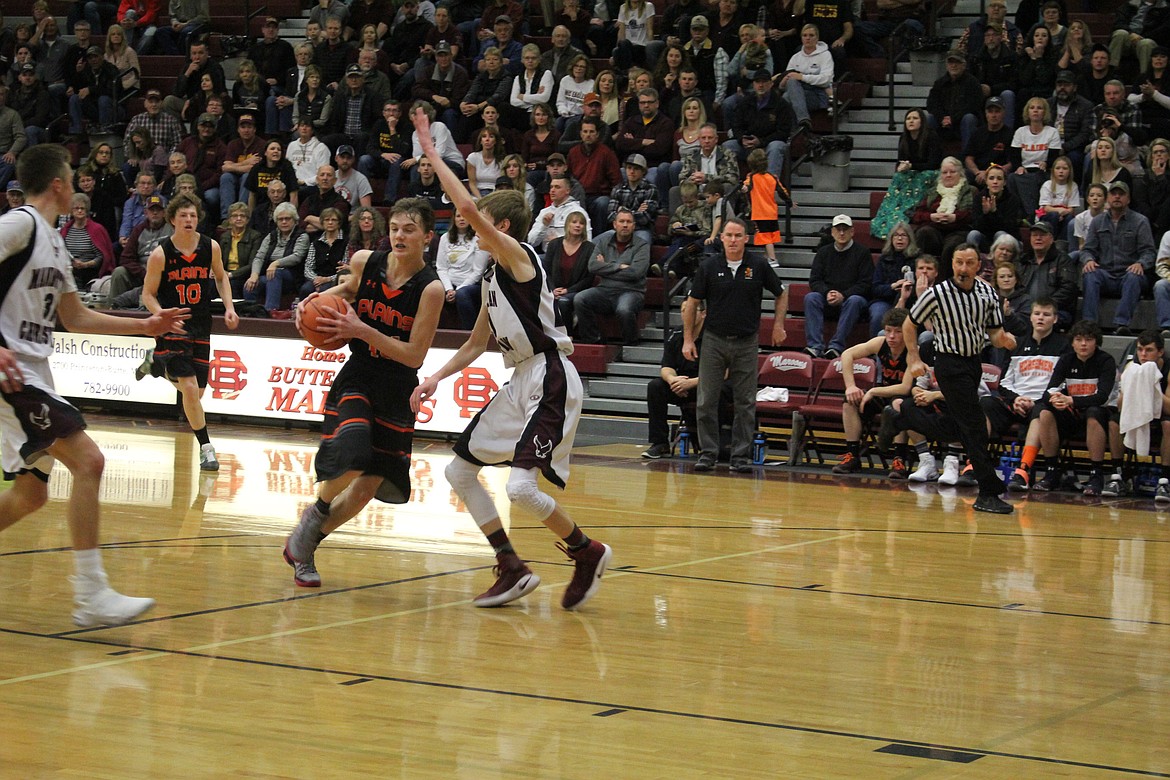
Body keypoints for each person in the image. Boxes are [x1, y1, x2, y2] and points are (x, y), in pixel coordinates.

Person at [407, 106, 613, 611]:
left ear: (499, 226)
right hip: (521, 379)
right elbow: (478, 344)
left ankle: (586, 552)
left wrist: (433, 152)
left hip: (551, 375)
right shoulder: (493, 279)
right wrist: (434, 377)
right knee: (459, 472)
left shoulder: (520, 258)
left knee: (521, 487)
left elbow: (471, 211)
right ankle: (511, 565)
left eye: (476, 221)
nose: (466, 223)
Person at [0, 144, 188, 626]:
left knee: (30, 495)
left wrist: (144, 326)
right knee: (90, 461)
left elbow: (76, 316)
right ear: (60, 184)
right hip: (11, 373)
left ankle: (92, 596)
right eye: (72, 177)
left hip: (35, 371)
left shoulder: (55, 243)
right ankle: (92, 596)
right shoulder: (19, 224)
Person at [282, 196, 444, 588]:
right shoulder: (365, 262)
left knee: (367, 486)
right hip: (359, 374)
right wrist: (313, 305)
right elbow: (348, 290)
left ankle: (306, 545)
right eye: (394, 229)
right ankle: (316, 513)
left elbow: (414, 355)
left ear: (428, 236)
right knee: (353, 455)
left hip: (397, 386)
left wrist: (363, 330)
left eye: (409, 229)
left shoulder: (431, 288)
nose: (399, 236)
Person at [903, 243, 1017, 513]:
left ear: (979, 265)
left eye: (969, 263)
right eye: (958, 263)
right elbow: (910, 324)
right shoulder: (937, 293)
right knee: (975, 426)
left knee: (965, 425)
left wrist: (1006, 341)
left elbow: (995, 333)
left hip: (974, 363)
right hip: (949, 363)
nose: (963, 268)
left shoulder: (988, 292)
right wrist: (914, 357)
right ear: (951, 265)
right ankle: (988, 492)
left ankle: (904, 416)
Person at [137, 192, 237, 469]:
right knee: (190, 389)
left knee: (197, 393)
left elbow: (221, 277)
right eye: (183, 215)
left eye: (193, 215)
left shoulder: (210, 247)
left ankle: (156, 363)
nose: (189, 219)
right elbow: (147, 295)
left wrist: (229, 307)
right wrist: (161, 315)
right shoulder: (161, 254)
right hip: (173, 325)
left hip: (201, 323)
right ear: (172, 220)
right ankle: (206, 446)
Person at [683, 218, 788, 473]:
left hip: (747, 342)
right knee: (706, 399)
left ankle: (740, 456)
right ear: (722, 238)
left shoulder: (759, 264)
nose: (732, 240)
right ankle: (708, 453)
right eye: (728, 235)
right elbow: (693, 301)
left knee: (745, 401)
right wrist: (688, 339)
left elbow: (782, 292)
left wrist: (778, 325)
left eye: (737, 235)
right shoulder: (709, 266)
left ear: (746, 238)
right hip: (714, 340)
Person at [1008, 319, 1115, 495]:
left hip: (1099, 414)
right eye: (1079, 339)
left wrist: (1070, 400)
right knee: (1045, 412)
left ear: (1096, 342)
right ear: (1072, 342)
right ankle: (1051, 471)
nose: (1083, 344)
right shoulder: (1066, 360)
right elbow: (1048, 391)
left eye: (1088, 339)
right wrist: (1055, 398)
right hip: (1072, 416)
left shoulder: (1105, 361)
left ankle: (1096, 474)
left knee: (1094, 413)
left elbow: (1101, 397)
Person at [831, 308, 910, 475]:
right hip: (883, 393)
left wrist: (873, 391)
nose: (891, 336)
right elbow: (847, 354)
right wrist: (851, 386)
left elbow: (905, 387)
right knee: (849, 402)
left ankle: (899, 459)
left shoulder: (913, 350)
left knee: (899, 405)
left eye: (897, 332)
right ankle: (852, 456)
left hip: (905, 396)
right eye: (888, 331)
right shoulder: (880, 343)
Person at [979, 296, 1068, 442]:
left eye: (1046, 315)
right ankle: (976, 459)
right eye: (1037, 313)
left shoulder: (1063, 346)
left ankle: (1025, 463)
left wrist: (1036, 402)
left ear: (1055, 319)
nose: (1041, 318)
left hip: (1043, 404)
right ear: (1031, 317)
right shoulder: (1016, 345)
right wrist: (1016, 399)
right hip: (1016, 403)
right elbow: (1003, 382)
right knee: (985, 402)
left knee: (1043, 410)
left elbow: (1063, 384)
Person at [1080, 180, 1155, 334]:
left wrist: (1141, 263)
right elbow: (1087, 249)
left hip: (1130, 274)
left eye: (1121, 194)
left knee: (1133, 276)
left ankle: (1122, 325)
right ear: (1108, 198)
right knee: (1090, 274)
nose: (1117, 197)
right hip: (1105, 274)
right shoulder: (1097, 221)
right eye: (1114, 194)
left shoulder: (1140, 221)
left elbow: (1149, 252)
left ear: (1128, 199)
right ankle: (1089, 325)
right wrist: (1088, 260)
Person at [804, 214, 872, 359]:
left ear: (852, 232)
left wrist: (844, 295)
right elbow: (815, 280)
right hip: (827, 299)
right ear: (832, 232)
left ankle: (836, 346)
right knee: (811, 297)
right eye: (838, 229)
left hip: (851, 302)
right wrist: (827, 292)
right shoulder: (823, 252)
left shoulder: (863, 252)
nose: (841, 233)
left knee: (855, 300)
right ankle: (815, 346)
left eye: (845, 230)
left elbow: (865, 283)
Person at [435, 209, 490, 328]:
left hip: (471, 285)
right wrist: (449, 289)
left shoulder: (478, 238)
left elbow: (478, 271)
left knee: (462, 294)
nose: (461, 219)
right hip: (449, 283)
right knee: (432, 290)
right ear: (453, 218)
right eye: (458, 216)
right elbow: (441, 268)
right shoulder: (445, 237)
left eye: (465, 216)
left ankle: (469, 333)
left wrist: (458, 290)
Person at [541, 210, 594, 333]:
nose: (578, 225)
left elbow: (588, 278)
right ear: (567, 225)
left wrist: (567, 290)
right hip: (554, 289)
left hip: (576, 290)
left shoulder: (589, 248)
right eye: (574, 222)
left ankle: (568, 334)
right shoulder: (554, 244)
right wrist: (552, 289)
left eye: (581, 223)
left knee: (563, 302)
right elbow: (546, 271)